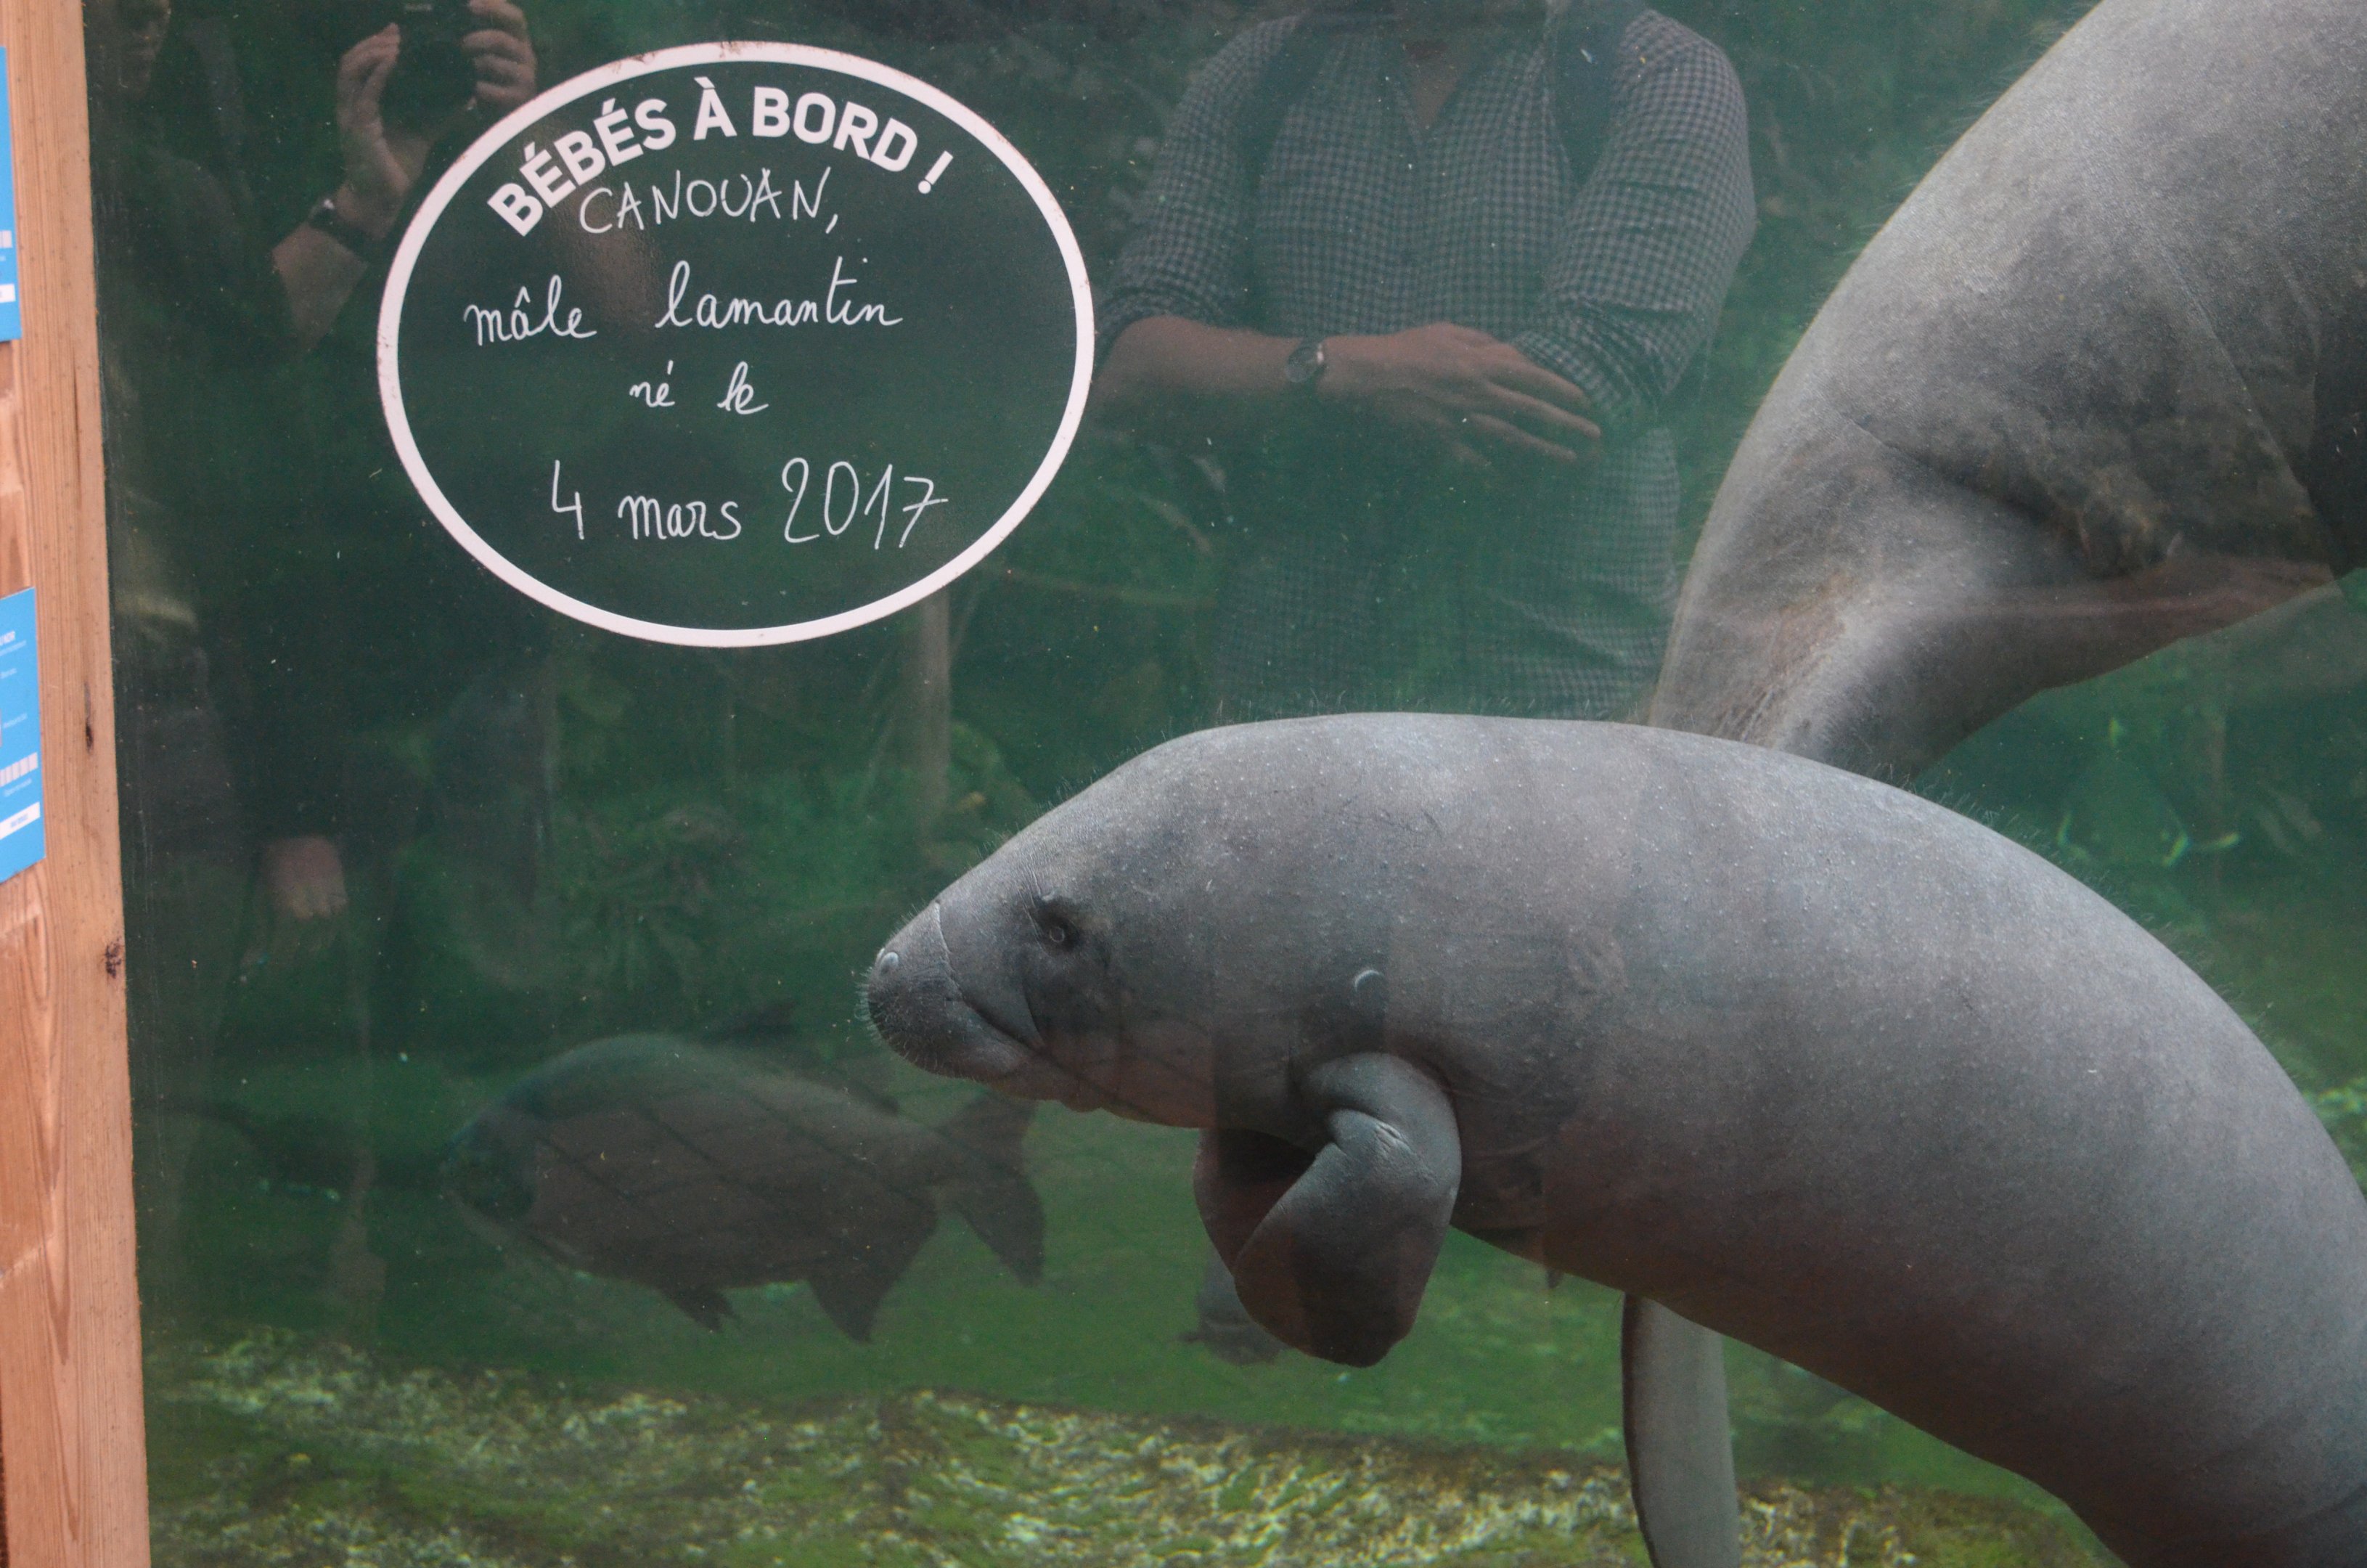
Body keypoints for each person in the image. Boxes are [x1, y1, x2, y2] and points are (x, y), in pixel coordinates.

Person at [1093, 0, 1754, 722]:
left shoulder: (1660, 74)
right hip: (1286, 719)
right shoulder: (1261, 75)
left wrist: (1276, 384)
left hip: (1563, 715)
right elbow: (1133, 369)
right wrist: (1345, 373)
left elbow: (1566, 401)